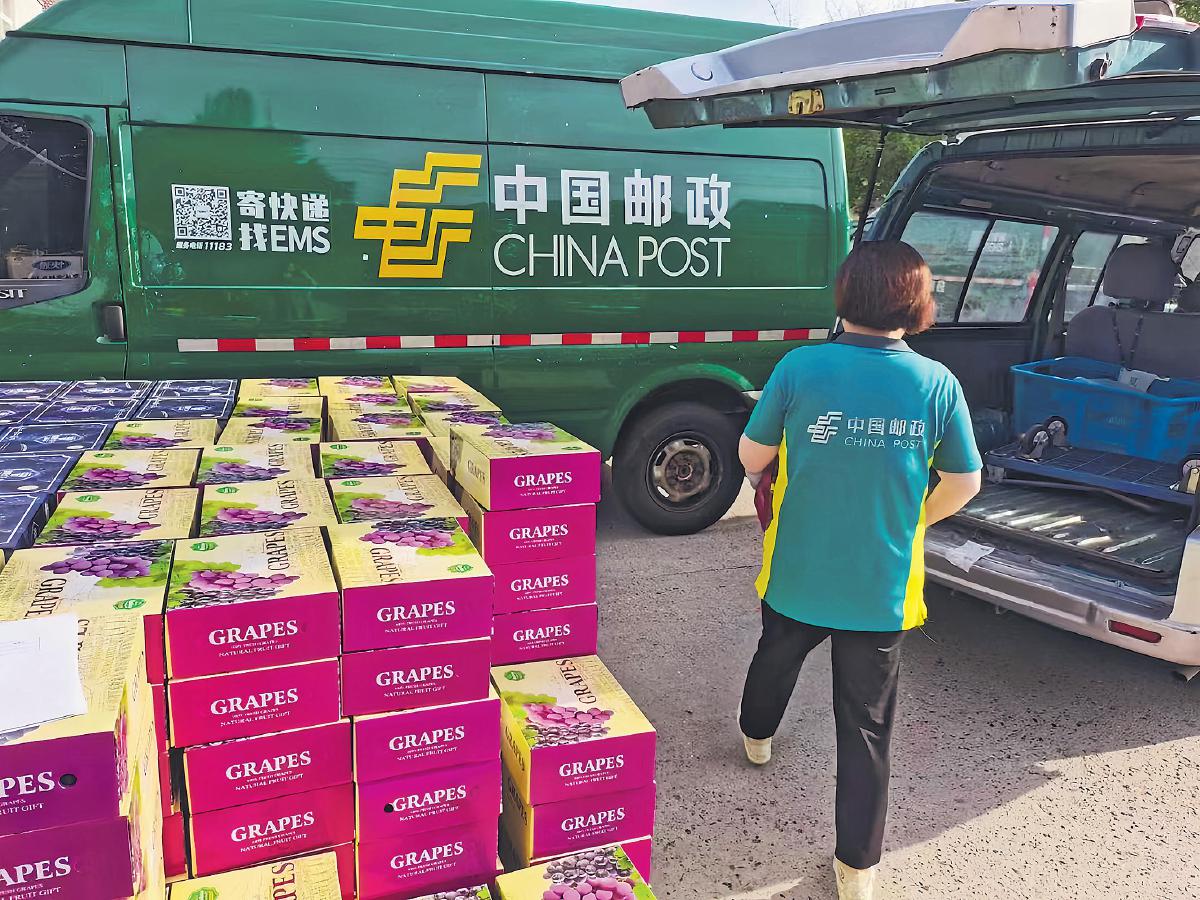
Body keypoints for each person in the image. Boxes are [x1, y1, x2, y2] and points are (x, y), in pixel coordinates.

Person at [737, 241, 983, 900]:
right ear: (918, 303)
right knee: (867, 727)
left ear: (845, 296)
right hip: (882, 583)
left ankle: (756, 737)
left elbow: (752, 455)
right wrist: (914, 521)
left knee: (776, 654)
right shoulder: (936, 383)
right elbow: (965, 481)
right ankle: (857, 868)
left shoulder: (801, 366)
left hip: (797, 568)